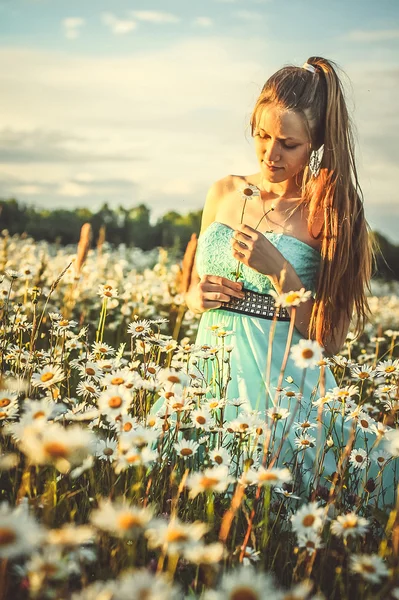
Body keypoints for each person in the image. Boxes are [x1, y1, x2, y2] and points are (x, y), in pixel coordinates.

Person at [182, 56, 398, 506]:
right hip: (208, 374)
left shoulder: (330, 209)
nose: (270, 154)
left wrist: (278, 269)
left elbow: (332, 337)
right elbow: (190, 289)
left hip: (281, 389)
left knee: (269, 505)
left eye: (288, 143)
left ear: (314, 142)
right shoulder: (222, 190)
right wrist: (195, 297)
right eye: (261, 135)